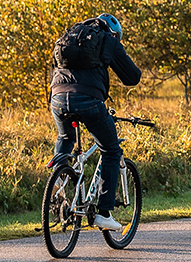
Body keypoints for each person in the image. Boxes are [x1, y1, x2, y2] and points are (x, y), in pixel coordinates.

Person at [49, 12, 142, 232]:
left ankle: (59, 187)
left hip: (58, 98)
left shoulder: (70, 35)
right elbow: (132, 77)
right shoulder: (108, 40)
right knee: (110, 150)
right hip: (89, 100)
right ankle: (104, 213)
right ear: (114, 33)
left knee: (65, 137)